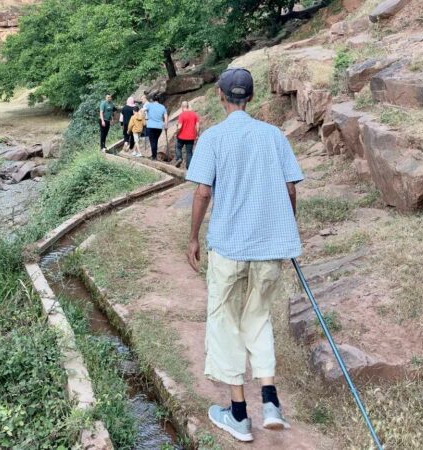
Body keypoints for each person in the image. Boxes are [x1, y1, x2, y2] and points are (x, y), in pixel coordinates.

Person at [186, 68, 304, 442]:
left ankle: (238, 415)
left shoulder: (214, 138)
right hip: (269, 248)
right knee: (258, 318)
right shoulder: (273, 136)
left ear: (221, 95)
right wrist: (285, 232)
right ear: (250, 98)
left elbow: (203, 192)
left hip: (229, 248)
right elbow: (289, 191)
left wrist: (192, 238)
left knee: (226, 322)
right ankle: (271, 403)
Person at [175, 101, 200, 169]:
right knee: (189, 152)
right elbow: (197, 126)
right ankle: (189, 168)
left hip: (181, 137)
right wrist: (197, 135)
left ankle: (179, 158)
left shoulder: (182, 115)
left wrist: (177, 132)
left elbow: (179, 127)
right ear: (188, 106)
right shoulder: (194, 114)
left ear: (182, 107)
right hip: (191, 137)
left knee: (178, 147)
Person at [145, 94, 168, 161]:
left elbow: (142, 110)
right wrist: (166, 125)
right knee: (155, 141)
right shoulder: (162, 107)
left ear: (152, 99)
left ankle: (154, 157)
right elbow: (166, 116)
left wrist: (144, 119)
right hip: (159, 127)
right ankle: (154, 155)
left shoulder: (149, 105)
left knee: (153, 142)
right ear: (159, 99)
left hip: (151, 126)